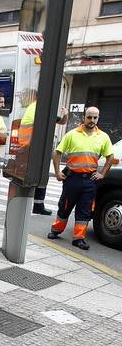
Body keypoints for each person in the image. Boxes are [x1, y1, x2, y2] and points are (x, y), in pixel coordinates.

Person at [48, 106, 114, 250]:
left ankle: (78, 238)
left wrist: (102, 174)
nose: (92, 120)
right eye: (89, 117)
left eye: (95, 117)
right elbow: (57, 153)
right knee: (64, 206)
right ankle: (56, 230)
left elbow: (110, 157)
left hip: (90, 180)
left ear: (98, 118)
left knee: (85, 210)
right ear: (84, 117)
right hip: (72, 179)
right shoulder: (72, 134)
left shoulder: (103, 137)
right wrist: (58, 172)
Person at [17, 89, 68, 215]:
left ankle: (32, 204)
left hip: (28, 148)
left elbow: (60, 121)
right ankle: (37, 205)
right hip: (34, 149)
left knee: (32, 175)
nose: (20, 99)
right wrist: (65, 114)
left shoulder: (35, 108)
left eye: (23, 96)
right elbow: (61, 121)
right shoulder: (38, 108)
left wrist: (64, 115)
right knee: (41, 175)